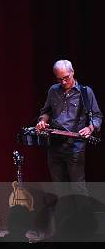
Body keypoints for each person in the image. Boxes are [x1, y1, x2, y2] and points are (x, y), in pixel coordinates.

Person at [36, 60, 102, 188]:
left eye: (66, 77)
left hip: (75, 147)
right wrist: (42, 121)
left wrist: (90, 127)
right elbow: (46, 112)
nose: (64, 82)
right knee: (59, 188)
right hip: (54, 146)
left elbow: (97, 116)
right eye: (59, 79)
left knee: (78, 188)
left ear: (73, 72)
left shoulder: (85, 92)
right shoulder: (53, 90)